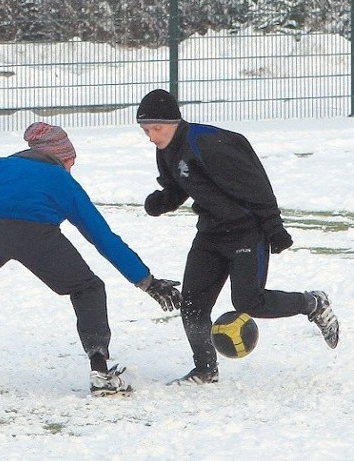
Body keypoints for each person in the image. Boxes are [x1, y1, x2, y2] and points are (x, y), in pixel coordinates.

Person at [0, 121, 183, 400]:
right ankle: (100, 371)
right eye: (71, 161)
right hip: (37, 237)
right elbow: (102, 236)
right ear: (63, 157)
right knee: (88, 289)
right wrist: (146, 282)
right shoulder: (61, 179)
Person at [136, 89, 340, 385]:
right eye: (146, 130)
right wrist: (162, 201)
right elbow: (182, 183)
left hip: (247, 231)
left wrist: (274, 227)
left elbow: (254, 185)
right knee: (193, 305)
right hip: (210, 233)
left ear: (176, 121)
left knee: (249, 301)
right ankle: (205, 370)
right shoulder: (165, 149)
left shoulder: (207, 143)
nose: (152, 136)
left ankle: (313, 304)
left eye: (157, 128)